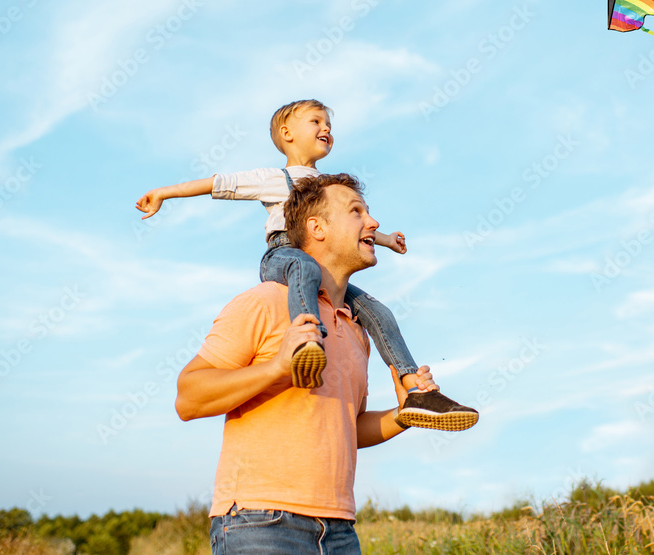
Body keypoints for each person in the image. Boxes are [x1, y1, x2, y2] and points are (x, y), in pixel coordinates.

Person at [138, 99, 477, 431]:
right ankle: (307, 340)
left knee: (378, 311)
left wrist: (386, 239)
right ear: (286, 133)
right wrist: (164, 194)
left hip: (317, 268)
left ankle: (415, 390)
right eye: (316, 121)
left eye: (328, 123)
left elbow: (351, 226)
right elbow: (217, 184)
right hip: (283, 257)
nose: (326, 127)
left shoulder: (330, 186)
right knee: (306, 268)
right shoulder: (273, 178)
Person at [175, 174, 433, 553]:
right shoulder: (265, 301)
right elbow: (188, 398)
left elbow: (349, 427)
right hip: (261, 522)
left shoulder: (356, 329)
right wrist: (277, 367)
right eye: (356, 211)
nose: (373, 223)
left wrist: (404, 414)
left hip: (340, 530)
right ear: (317, 227)